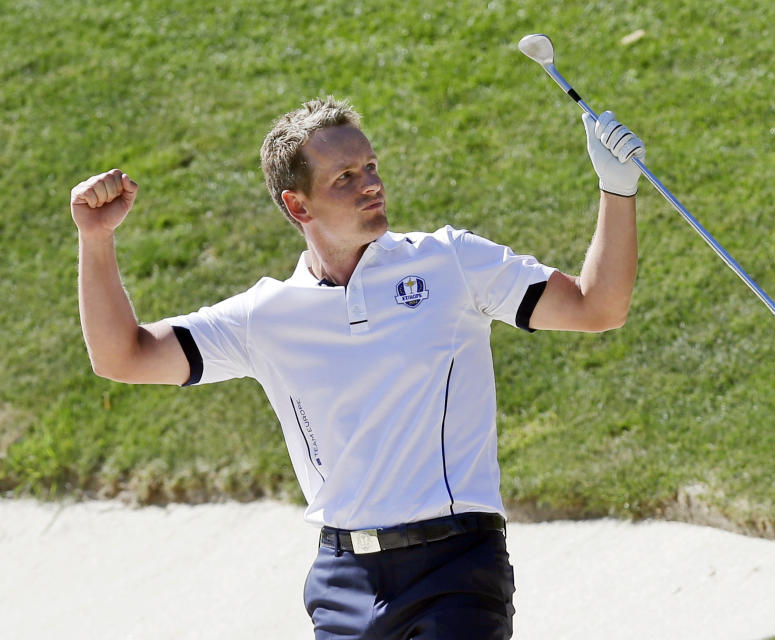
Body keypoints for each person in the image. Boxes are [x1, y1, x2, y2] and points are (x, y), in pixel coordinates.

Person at [71, 96, 645, 639]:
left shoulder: (451, 261)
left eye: (369, 165)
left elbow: (598, 307)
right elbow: (122, 356)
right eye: (344, 177)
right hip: (341, 581)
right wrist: (96, 239)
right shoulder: (265, 316)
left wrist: (615, 190)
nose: (370, 182)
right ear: (297, 205)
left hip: (456, 570)